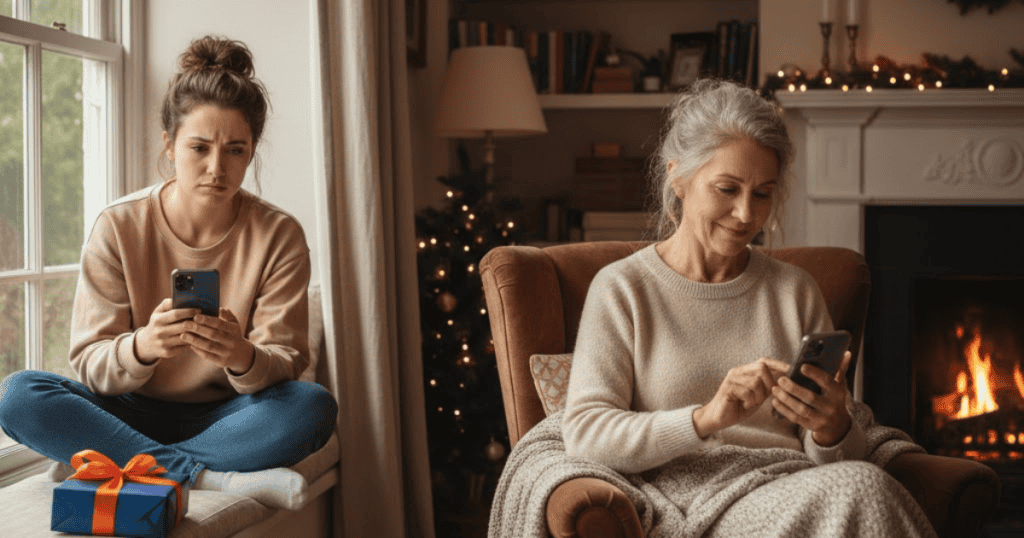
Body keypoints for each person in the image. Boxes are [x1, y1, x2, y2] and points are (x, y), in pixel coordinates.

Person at [560, 79, 935, 536]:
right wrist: (705, 419)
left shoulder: (795, 291)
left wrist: (832, 426)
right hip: (694, 502)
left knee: (860, 486)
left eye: (762, 194)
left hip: (796, 487)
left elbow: (838, 458)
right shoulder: (622, 290)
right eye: (727, 188)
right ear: (678, 178)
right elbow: (584, 434)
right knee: (863, 489)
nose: (745, 215)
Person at [0, 36, 337, 509]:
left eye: (236, 150)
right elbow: (90, 362)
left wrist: (241, 354)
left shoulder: (279, 235)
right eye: (199, 147)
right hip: (127, 410)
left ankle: (118, 463)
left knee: (312, 408)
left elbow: (287, 361)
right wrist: (144, 346)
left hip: (229, 416)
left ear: (252, 149)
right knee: (19, 395)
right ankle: (207, 479)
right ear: (170, 143)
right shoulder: (118, 226)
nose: (216, 168)